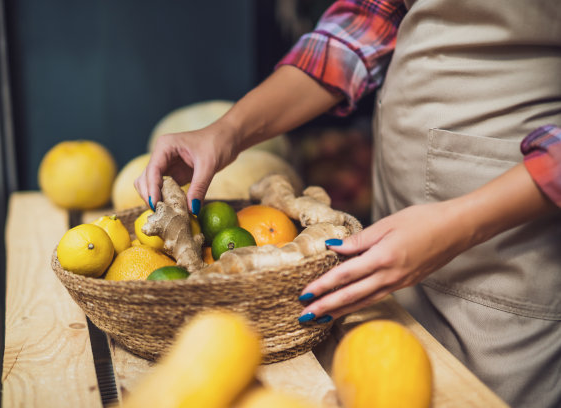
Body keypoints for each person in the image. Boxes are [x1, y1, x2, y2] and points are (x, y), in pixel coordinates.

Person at [135, 1, 561, 406]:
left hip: (510, 239)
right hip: (399, 228)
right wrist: (228, 132)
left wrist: (458, 223)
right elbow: (360, 28)